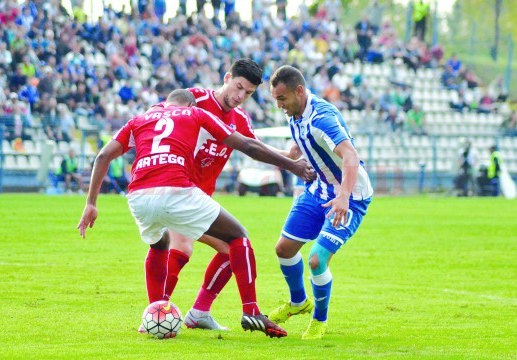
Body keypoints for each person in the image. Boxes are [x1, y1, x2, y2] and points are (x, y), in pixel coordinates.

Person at [77, 89, 315, 338]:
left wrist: (91, 203)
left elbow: (103, 155)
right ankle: (251, 310)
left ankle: (156, 312)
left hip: (139, 196)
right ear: (190, 104)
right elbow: (246, 145)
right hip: (178, 191)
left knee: (160, 246)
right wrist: (292, 165)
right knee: (237, 236)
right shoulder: (195, 113)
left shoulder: (140, 119)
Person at [162, 59, 297, 331]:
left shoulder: (239, 120)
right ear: (226, 77)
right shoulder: (195, 100)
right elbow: (161, 121)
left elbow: (254, 147)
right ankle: (159, 311)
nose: (240, 97)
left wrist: (288, 156)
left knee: (229, 250)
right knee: (191, 247)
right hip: (174, 190)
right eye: (238, 87)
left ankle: (194, 312)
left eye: (247, 93)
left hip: (200, 200)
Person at [265, 65, 373, 340]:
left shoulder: (322, 118)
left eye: (282, 99)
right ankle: (299, 302)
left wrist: (344, 197)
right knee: (284, 249)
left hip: (351, 195)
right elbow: (292, 153)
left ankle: (319, 320)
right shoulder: (296, 115)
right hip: (318, 190)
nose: (279, 106)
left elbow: (350, 156)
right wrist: (250, 144)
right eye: (276, 99)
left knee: (316, 260)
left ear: (299, 91)